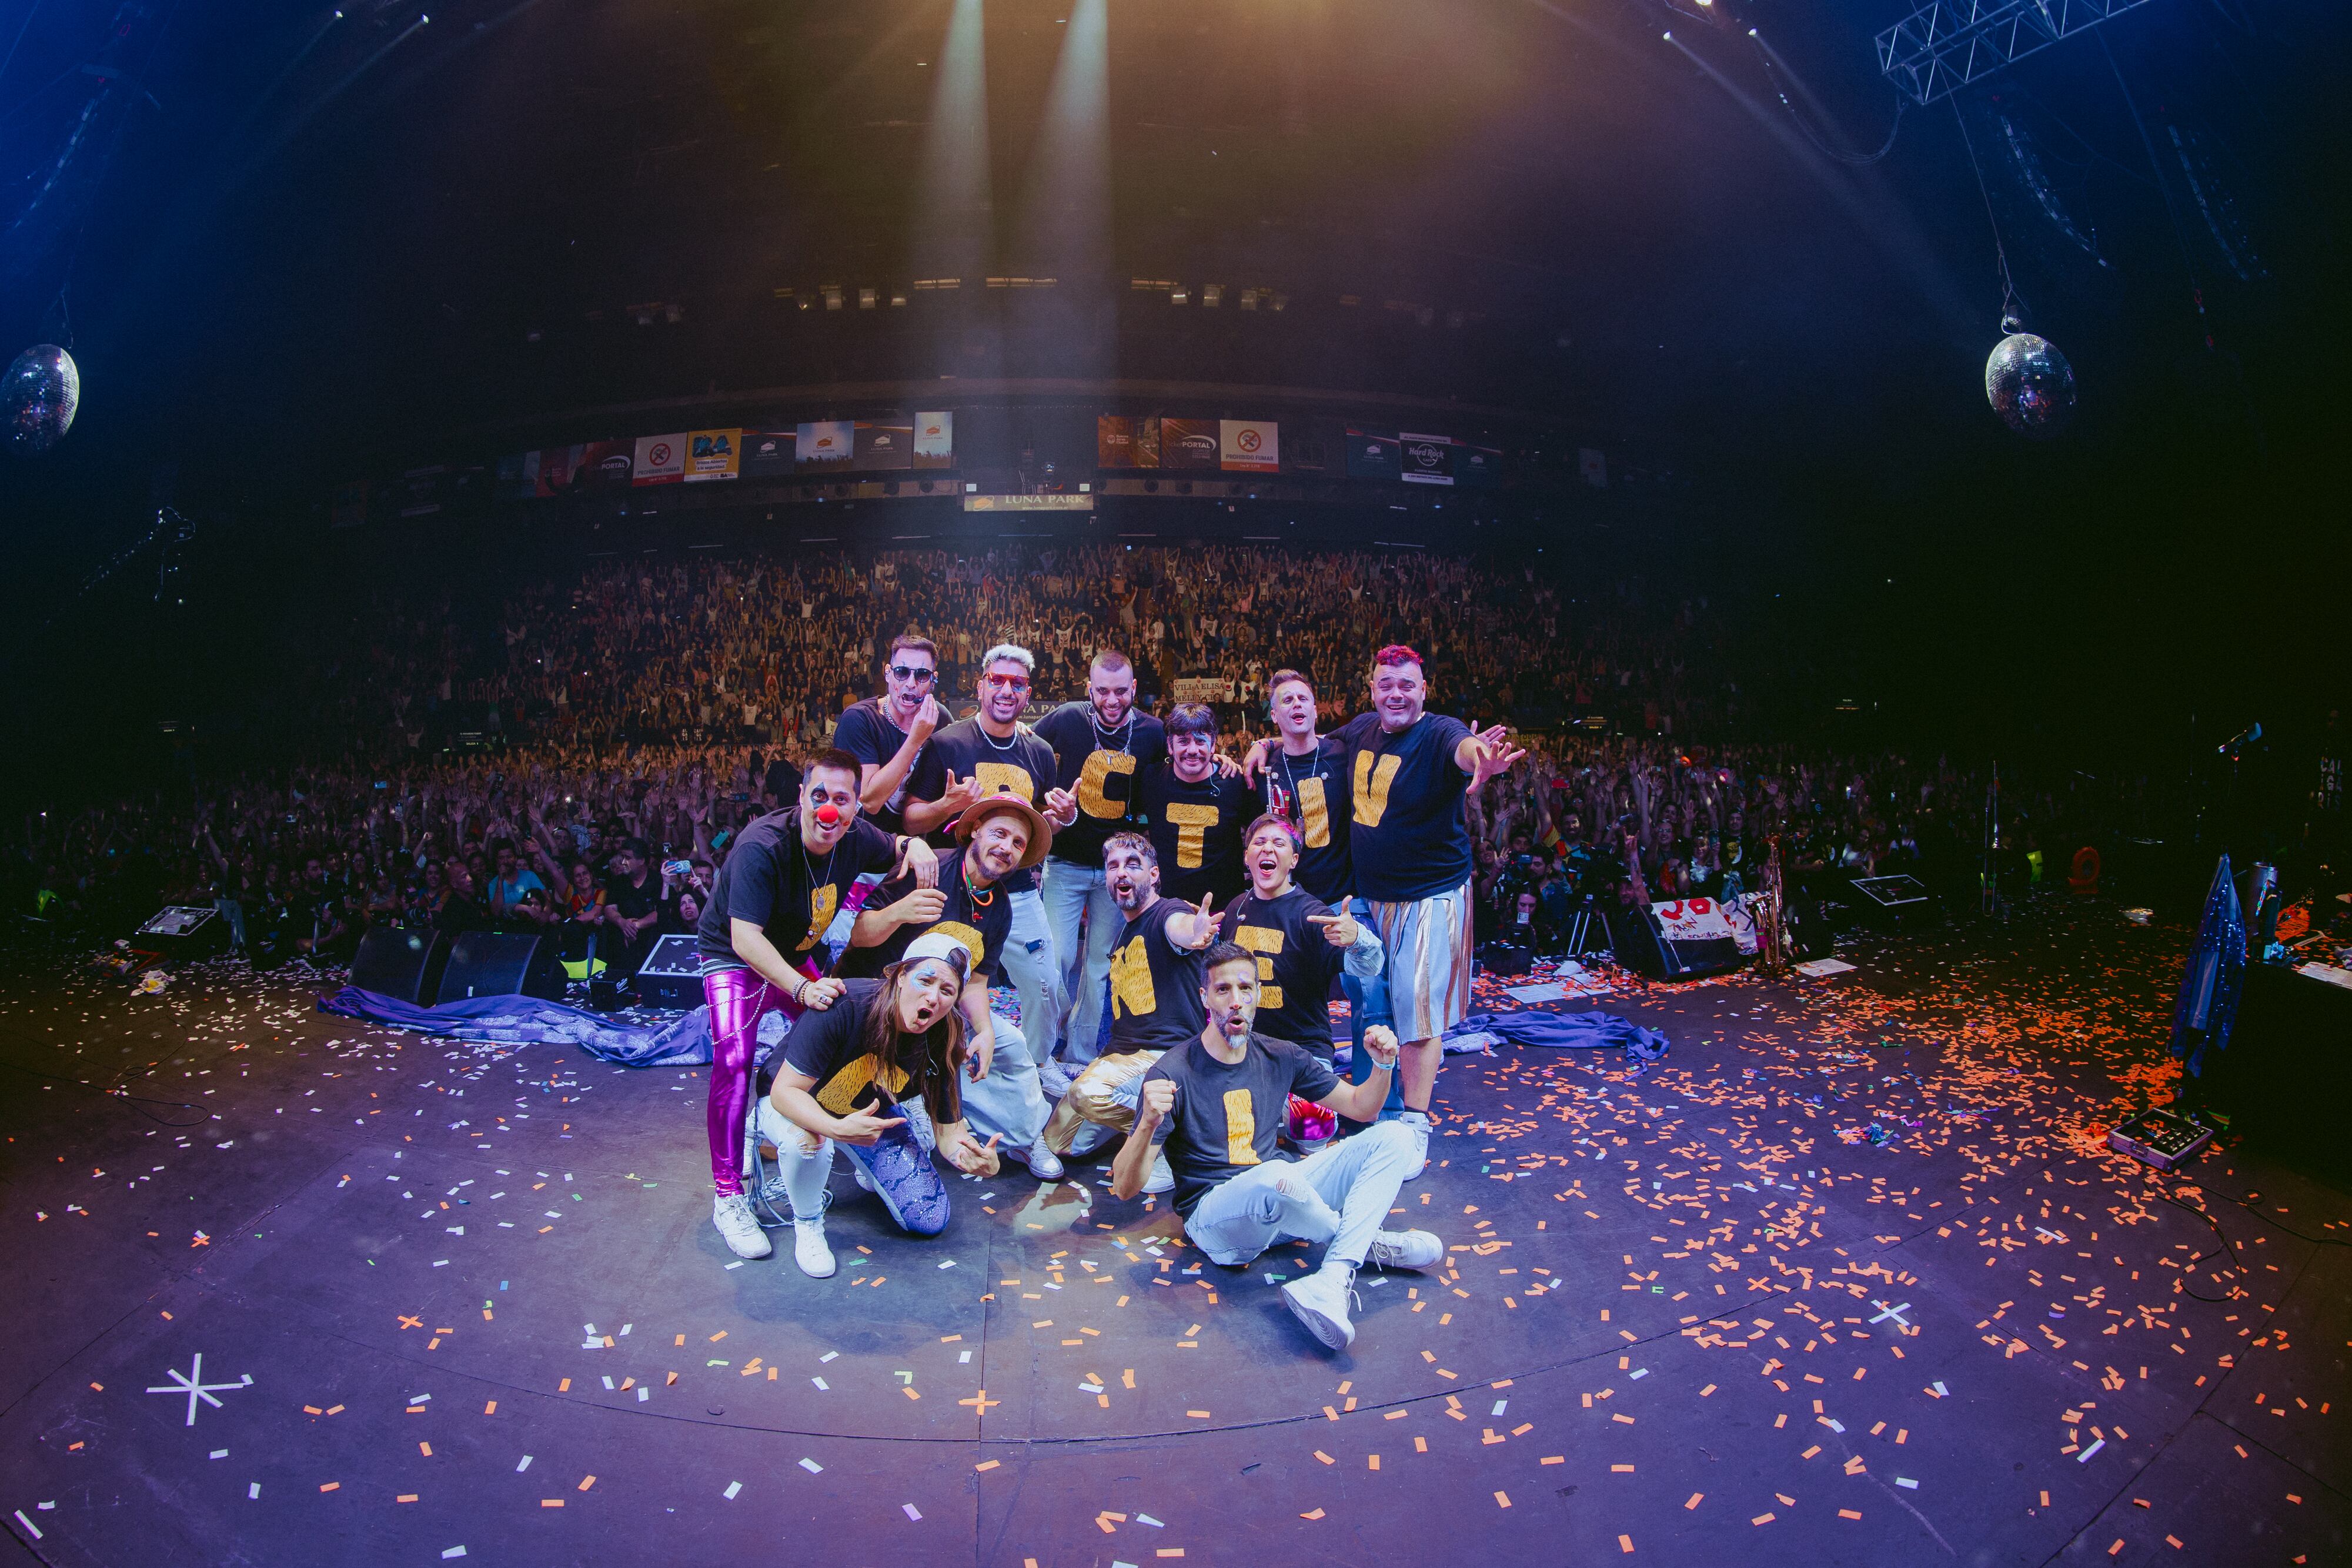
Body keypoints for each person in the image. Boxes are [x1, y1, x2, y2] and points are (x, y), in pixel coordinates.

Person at [1110, 941, 1443, 1351]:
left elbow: (1363, 1108)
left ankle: (1334, 1275)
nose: (1236, 1001)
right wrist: (1146, 1122)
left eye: (1246, 989)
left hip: (1284, 1204)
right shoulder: (1172, 1072)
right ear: (1204, 997)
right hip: (1217, 1222)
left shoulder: (1279, 1054)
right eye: (1223, 990)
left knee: (1397, 1135)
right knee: (1275, 1176)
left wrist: (1382, 1065)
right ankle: (1361, 1242)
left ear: (1259, 996)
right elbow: (1124, 1189)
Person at [1275, 646, 1523, 1175]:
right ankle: (1375, 1105)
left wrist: (1483, 759)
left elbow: (1466, 748)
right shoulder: (1363, 729)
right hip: (1372, 897)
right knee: (1373, 1001)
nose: (1396, 694)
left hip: (1430, 895)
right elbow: (1312, 742)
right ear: (1372, 690)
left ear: (1423, 690)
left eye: (1406, 685)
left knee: (1416, 1007)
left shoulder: (1439, 733)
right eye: (1386, 684)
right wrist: (1263, 743)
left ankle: (1414, 1121)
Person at [694, 750, 938, 1261]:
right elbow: (745, 939)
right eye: (819, 796)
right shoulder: (761, 846)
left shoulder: (854, 836)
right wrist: (803, 988)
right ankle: (728, 1194)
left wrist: (913, 843)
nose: (828, 810)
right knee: (735, 1058)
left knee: (839, 1030)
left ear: (854, 809)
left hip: (796, 953)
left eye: (841, 800)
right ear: (802, 798)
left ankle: (824, 1124)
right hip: (736, 955)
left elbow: (893, 842)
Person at [842, 788, 1068, 1181]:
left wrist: (983, 1031)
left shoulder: (1000, 906)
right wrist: (900, 911)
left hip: (937, 1009)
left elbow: (976, 982)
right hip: (876, 1004)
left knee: (1010, 1043)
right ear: (976, 830)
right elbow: (859, 935)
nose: (1007, 848)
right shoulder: (927, 869)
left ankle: (1025, 1137)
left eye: (1018, 843)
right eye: (999, 834)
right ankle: (918, 1122)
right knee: (938, 1057)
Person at [757, 934, 1004, 1277]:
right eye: (926, 981)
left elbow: (950, 1133)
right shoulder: (847, 1003)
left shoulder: (945, 1034)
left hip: (871, 1112)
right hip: (798, 1102)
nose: (933, 997)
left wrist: (975, 1160)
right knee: (808, 1145)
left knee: (929, 1219)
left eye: (947, 991)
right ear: (901, 976)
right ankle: (808, 1222)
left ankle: (866, 1165)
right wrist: (835, 1128)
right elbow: (786, 1092)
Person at [904, 644, 1078, 1081]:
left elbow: (1036, 833)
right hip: (951, 890)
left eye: (1016, 684)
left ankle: (1037, 1064)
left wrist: (1063, 820)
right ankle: (933, 1070)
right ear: (981, 685)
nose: (1006, 690)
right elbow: (910, 815)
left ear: (1027, 692)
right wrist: (946, 805)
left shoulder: (1039, 750)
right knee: (934, 981)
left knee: (1047, 986)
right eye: (997, 680)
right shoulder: (947, 742)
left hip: (1017, 893)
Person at [1035, 832, 1217, 1189]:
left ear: (1154, 875)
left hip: (1170, 1057)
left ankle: (1174, 1139)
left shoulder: (1168, 912)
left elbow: (1180, 929)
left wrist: (1195, 931)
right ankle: (1155, 1119)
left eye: (1133, 864)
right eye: (1113, 866)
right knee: (1062, 1143)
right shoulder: (1125, 932)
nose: (1121, 872)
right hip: (1125, 1058)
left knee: (1087, 1094)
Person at [1034, 650, 1166, 1073]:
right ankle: (1046, 1042)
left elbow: (1183, 763)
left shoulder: (1152, 731)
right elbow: (1024, 750)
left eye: (1121, 691)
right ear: (1088, 689)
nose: (1112, 700)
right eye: (1103, 691)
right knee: (1055, 959)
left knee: (1099, 966)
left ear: (1134, 690)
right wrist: (1044, 798)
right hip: (1066, 860)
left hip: (1118, 871)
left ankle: (1080, 1053)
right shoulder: (1067, 718)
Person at [1217, 815, 1384, 1063]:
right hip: (1243, 1050)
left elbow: (1371, 967)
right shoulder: (1236, 908)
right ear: (1246, 857)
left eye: (1279, 843)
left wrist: (1357, 939)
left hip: (1303, 1053)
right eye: (1259, 842)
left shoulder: (1312, 914)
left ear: (1294, 860)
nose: (1268, 848)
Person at [1134, 703, 1254, 906]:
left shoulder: (1235, 782)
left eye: (1200, 741)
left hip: (1224, 911)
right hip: (1167, 909)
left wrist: (1264, 745)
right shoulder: (1151, 780)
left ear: (1214, 745)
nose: (1192, 750)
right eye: (1183, 741)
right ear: (1170, 746)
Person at [1257, 669, 1354, 904]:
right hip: (1286, 903)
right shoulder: (1262, 770)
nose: (1297, 705)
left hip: (1344, 901)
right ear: (1275, 715)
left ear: (1314, 710)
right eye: (1287, 700)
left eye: (1303, 699)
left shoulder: (1345, 754)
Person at [835, 634, 944, 836]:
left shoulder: (939, 717)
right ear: (888, 673)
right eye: (902, 672)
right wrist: (916, 739)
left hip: (916, 851)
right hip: (865, 850)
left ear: (933, 680)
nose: (911, 683)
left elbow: (969, 740)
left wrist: (1012, 728)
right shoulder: (859, 719)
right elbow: (869, 801)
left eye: (922, 675)